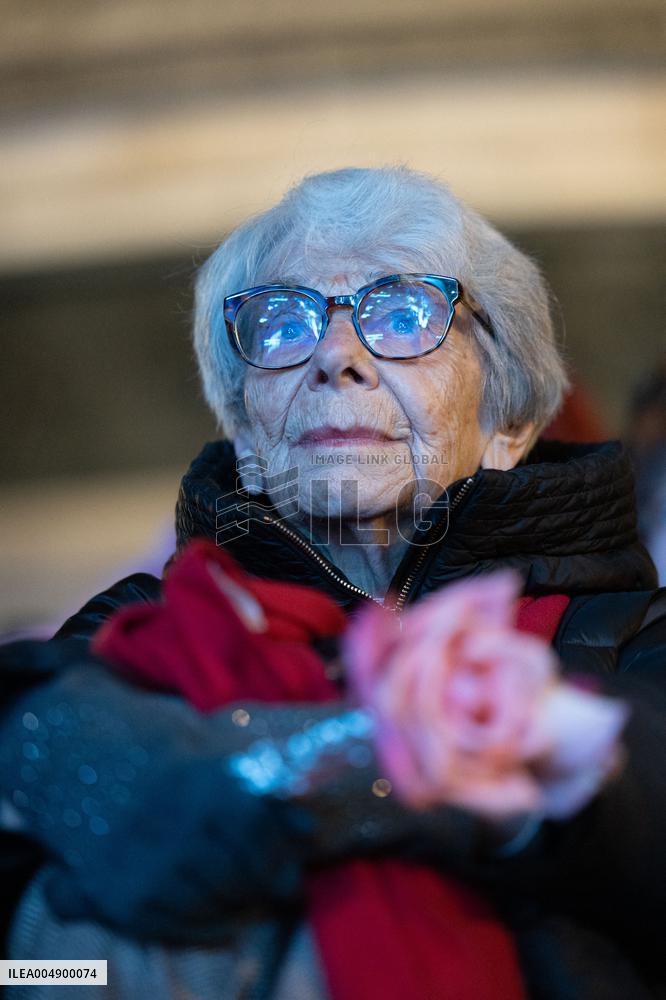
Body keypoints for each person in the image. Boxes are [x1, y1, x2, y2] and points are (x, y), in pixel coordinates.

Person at [1, 166, 664, 999]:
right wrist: (71, 966)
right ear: (245, 431)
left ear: (509, 422)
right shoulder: (124, 638)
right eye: (281, 325)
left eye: (403, 315)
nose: (336, 356)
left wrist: (474, 753)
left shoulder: (635, 630)